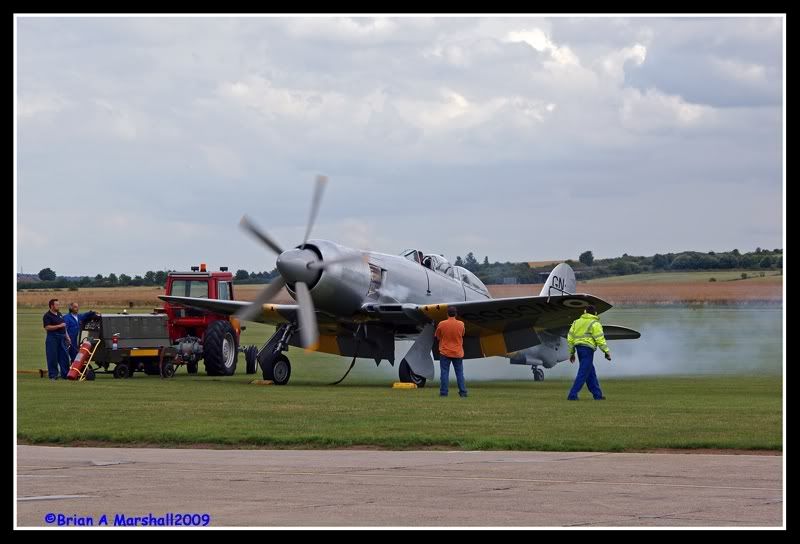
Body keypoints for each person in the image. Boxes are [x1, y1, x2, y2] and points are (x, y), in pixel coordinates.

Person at [566, 304, 611, 400]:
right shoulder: (595, 323)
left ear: (585, 312)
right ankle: (572, 395)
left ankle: (597, 395)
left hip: (579, 349)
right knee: (583, 373)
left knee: (590, 373)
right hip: (588, 350)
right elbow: (600, 339)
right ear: (595, 313)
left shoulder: (576, 322)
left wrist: (572, 353)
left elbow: (570, 338)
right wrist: (606, 351)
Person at [435, 306, 467, 397]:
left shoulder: (441, 324)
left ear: (447, 314)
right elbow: (463, 334)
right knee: (460, 373)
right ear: (456, 314)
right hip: (458, 352)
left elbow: (437, 336)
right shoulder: (461, 324)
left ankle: (444, 393)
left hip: (445, 352)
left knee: (444, 373)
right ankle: (463, 392)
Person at [42, 299, 71, 380]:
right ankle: (53, 375)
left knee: (64, 356)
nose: (59, 306)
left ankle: (65, 374)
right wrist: (59, 326)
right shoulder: (47, 316)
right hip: (52, 338)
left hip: (62, 337)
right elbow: (47, 327)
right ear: (52, 306)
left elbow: (64, 327)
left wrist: (67, 337)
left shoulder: (59, 314)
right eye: (57, 305)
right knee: (52, 357)